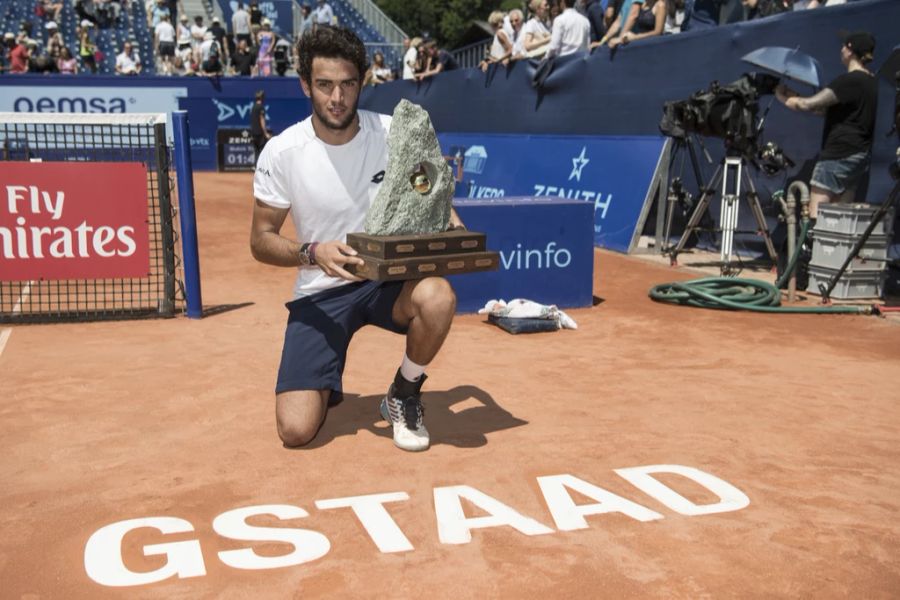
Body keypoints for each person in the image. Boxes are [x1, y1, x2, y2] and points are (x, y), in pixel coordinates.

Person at [250, 26, 464, 452]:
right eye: (325, 85)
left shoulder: (394, 132)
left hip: (388, 282)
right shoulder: (282, 151)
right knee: (296, 430)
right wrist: (312, 252)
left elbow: (429, 190)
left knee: (438, 297)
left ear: (362, 81)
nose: (337, 98)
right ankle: (324, 376)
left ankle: (403, 392)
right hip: (321, 291)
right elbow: (261, 239)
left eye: (348, 84)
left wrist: (453, 228)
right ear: (306, 85)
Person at [775, 31, 878, 220]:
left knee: (817, 216)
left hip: (837, 155)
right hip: (858, 156)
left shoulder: (849, 81)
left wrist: (782, 97)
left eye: (844, 46)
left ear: (850, 51)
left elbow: (808, 104)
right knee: (840, 220)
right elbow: (827, 110)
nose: (841, 50)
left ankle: (814, 249)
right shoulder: (871, 82)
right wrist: (794, 94)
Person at [250, 90, 271, 160]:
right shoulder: (261, 107)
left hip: (253, 133)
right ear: (261, 97)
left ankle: (256, 168)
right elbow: (262, 120)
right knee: (262, 152)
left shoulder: (253, 107)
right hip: (260, 133)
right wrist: (265, 133)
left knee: (256, 152)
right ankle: (260, 169)